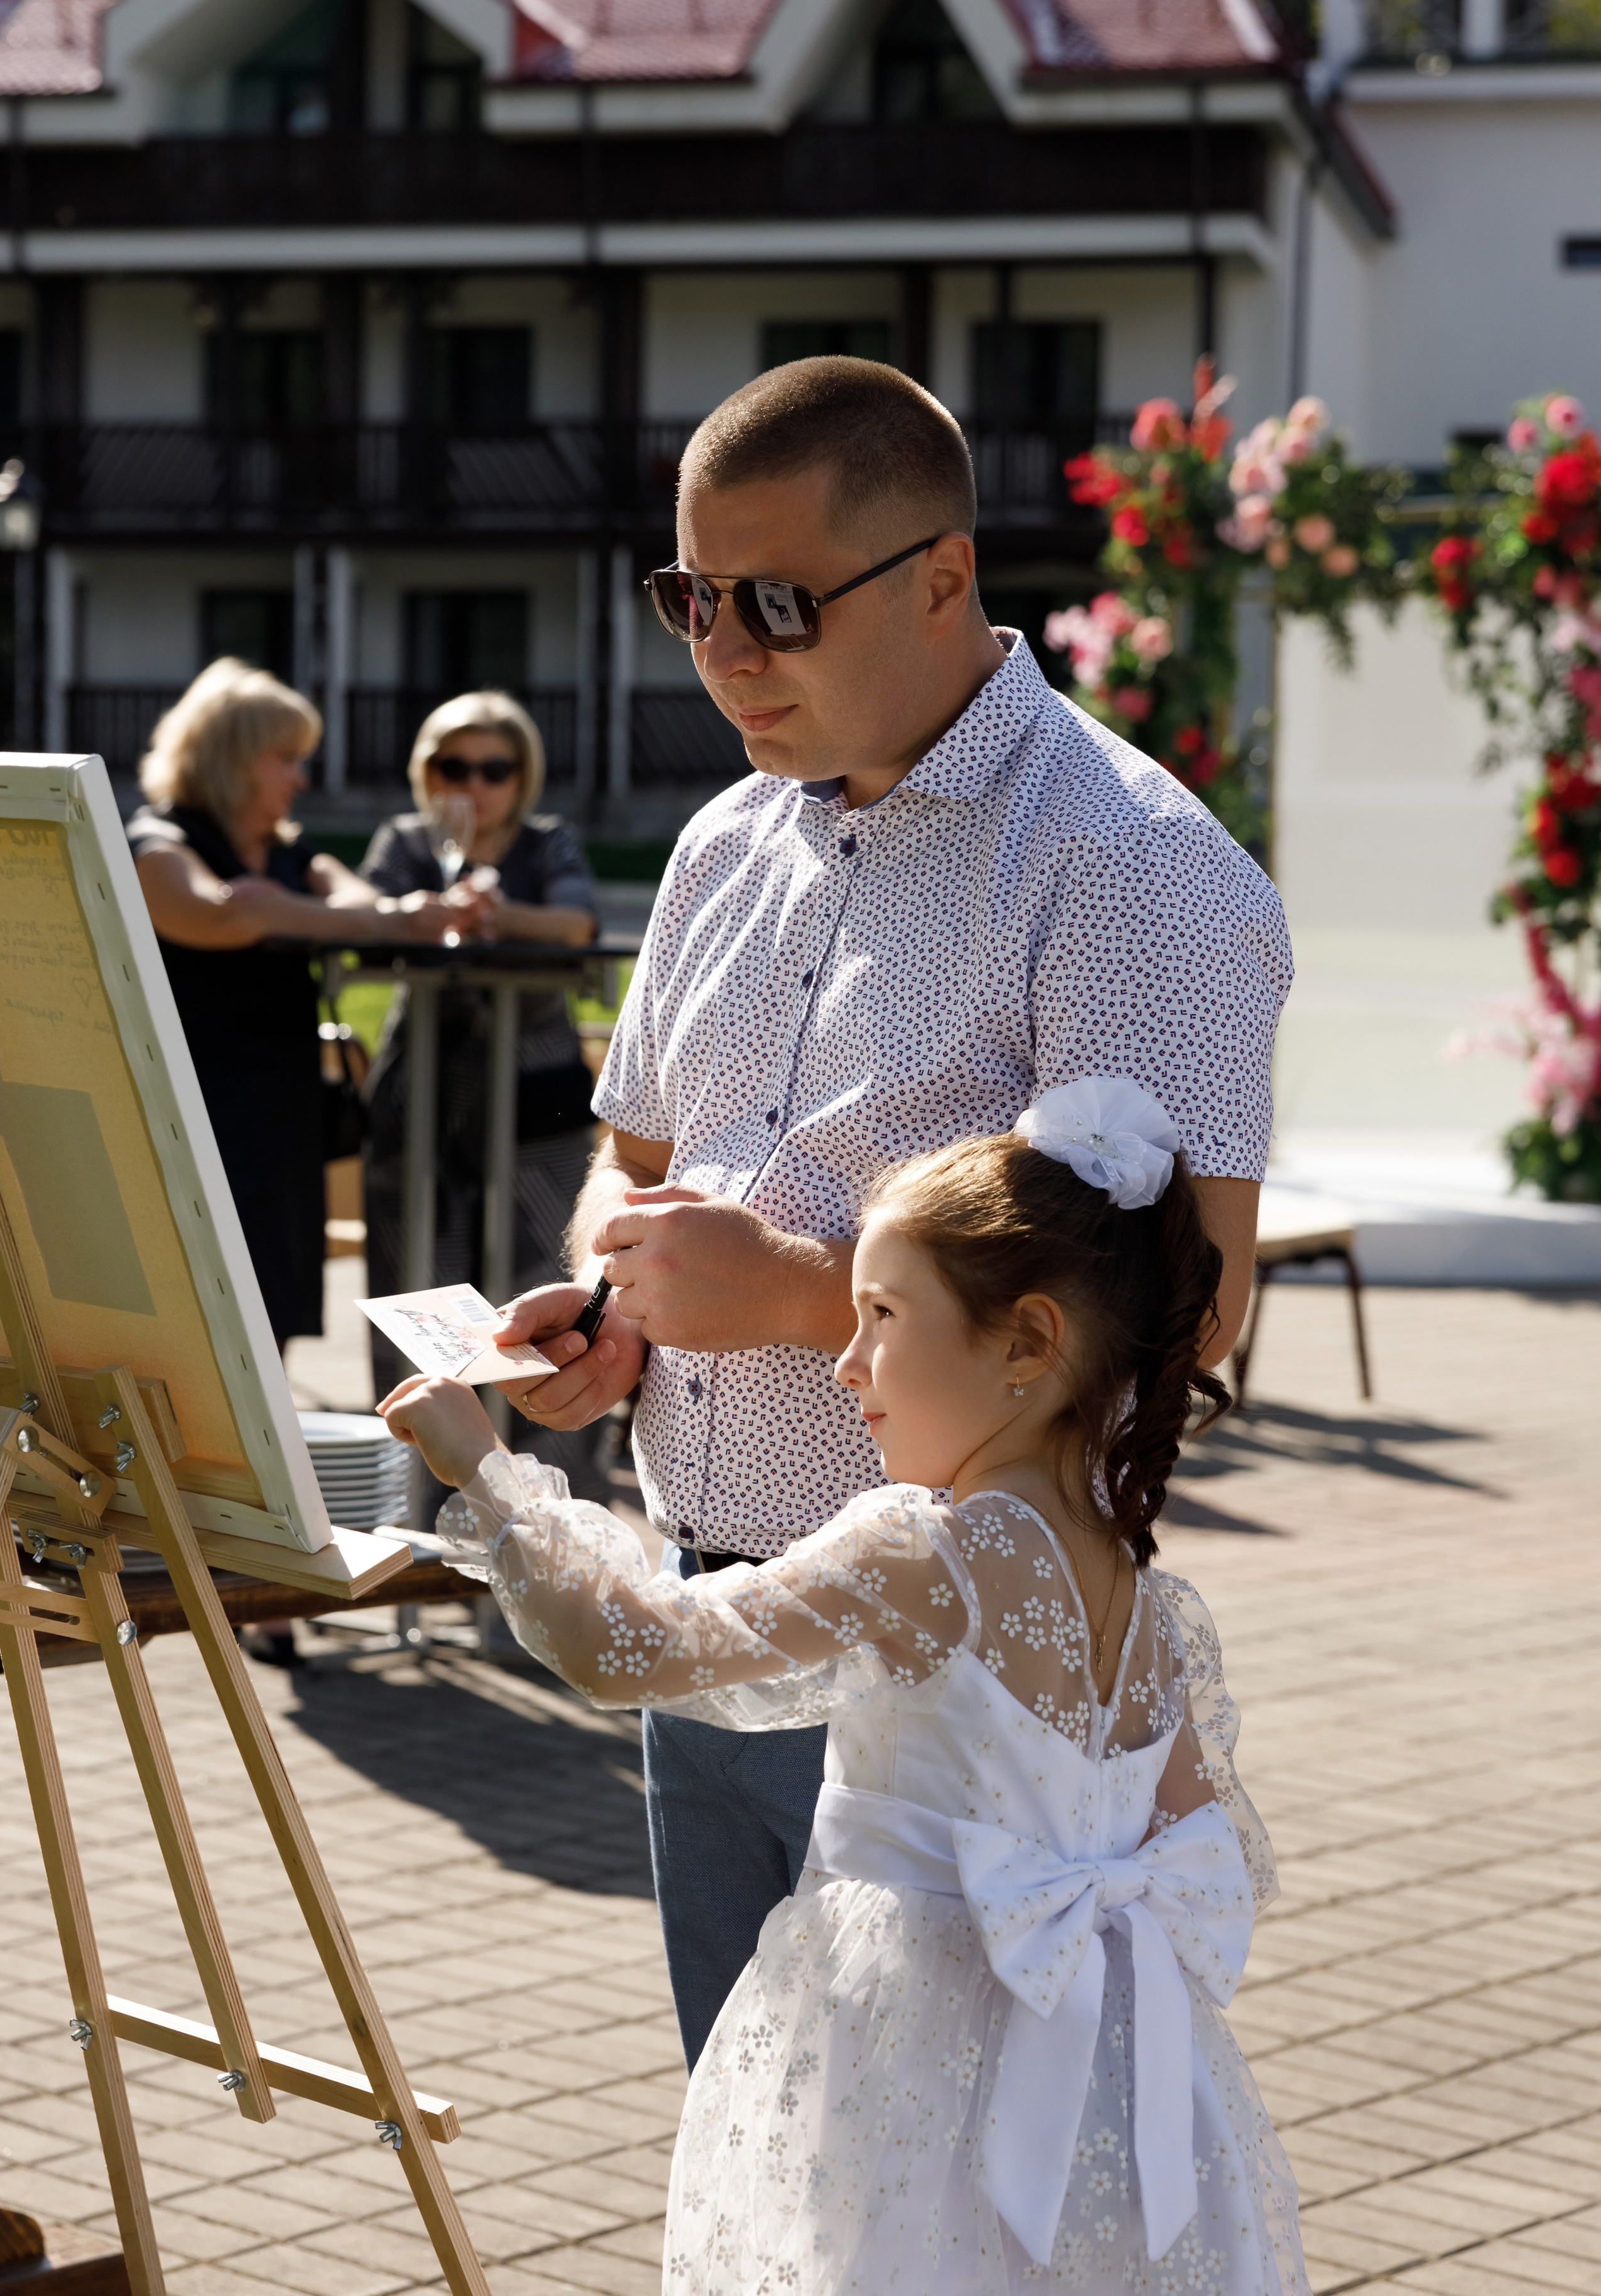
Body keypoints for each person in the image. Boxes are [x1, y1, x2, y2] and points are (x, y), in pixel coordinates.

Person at [489, 355, 1294, 2066]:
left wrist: (788, 1293)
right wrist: (607, 1306)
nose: (722, 654)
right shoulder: (720, 845)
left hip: (953, 1673)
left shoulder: (1127, 864)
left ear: (942, 575)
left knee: (938, 2215)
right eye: (691, 598)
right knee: (762, 2169)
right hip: (704, 1623)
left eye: (774, 603)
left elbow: (1186, 1307)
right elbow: (630, 1166)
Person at [378, 1078, 1308, 2295]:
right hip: (1113, 2072)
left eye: (880, 1316)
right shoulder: (1143, 1593)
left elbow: (629, 1645)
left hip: (905, 2047)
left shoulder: (921, 1549)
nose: (847, 1363)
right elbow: (1197, 1847)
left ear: (1028, 1343)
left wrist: (483, 1469)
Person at [128, 658, 465, 1351]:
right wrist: (303, 912)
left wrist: (285, 909)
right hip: (184, 1115)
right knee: (188, 1320)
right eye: (287, 759)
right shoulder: (159, 841)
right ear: (233, 758)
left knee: (266, 1312)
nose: (301, 779)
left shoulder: (286, 851)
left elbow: (361, 905)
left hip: (278, 1114)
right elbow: (213, 916)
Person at [357, 691, 600, 1474]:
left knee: (545, 1287)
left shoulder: (546, 842)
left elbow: (577, 924)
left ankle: (552, 1500)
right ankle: (420, 1505)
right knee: (418, 1288)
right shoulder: (407, 840)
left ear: (521, 775)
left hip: (536, 1095)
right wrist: (414, 909)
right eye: (452, 765)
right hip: (424, 1090)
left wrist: (503, 913)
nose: (474, 785)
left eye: (495, 768)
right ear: (425, 771)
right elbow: (361, 915)